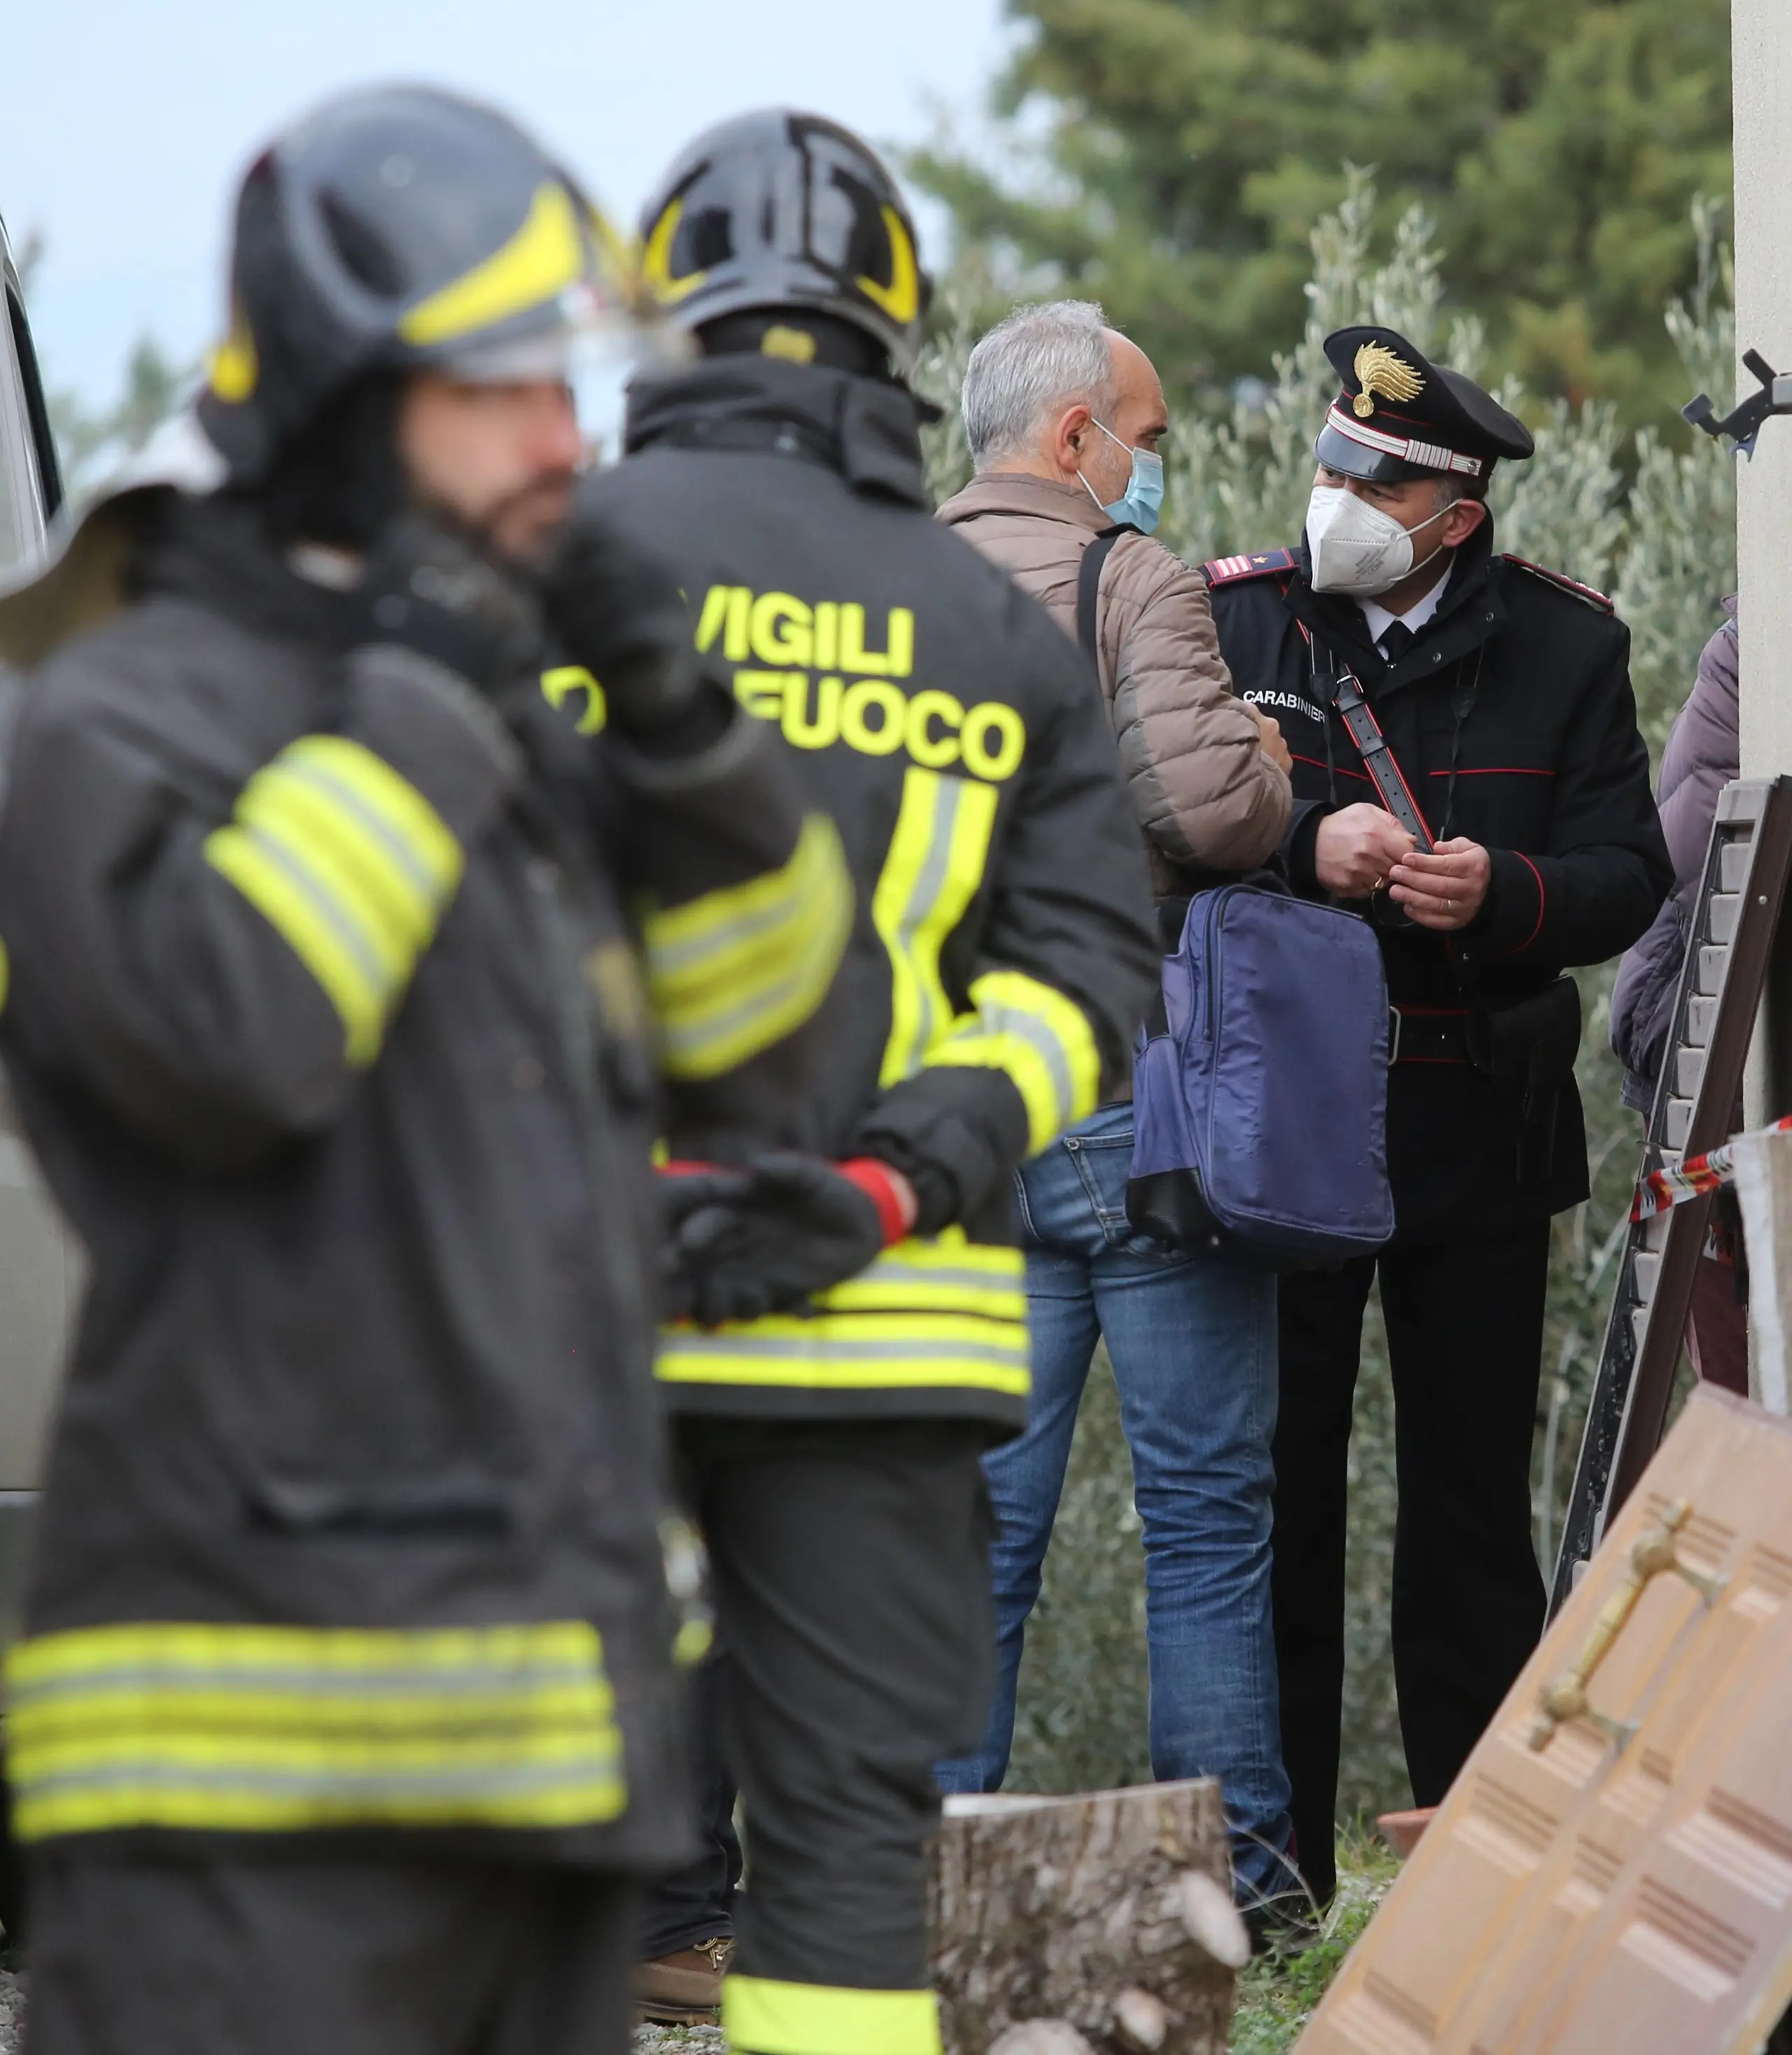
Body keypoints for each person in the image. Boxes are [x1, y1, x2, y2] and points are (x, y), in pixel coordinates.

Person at [0, 85, 850, 2055]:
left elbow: (772, 1043)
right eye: (507, 392)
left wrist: (686, 732)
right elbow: (235, 1046)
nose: (571, 441)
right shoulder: (112, 713)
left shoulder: (500, 718)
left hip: (551, 1778)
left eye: (569, 386)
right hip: (246, 1806)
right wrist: (415, 709)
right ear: (345, 395)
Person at [582, 111, 1161, 2055]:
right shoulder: (998, 635)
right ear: (896, 334)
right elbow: (1089, 981)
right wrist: (891, 1183)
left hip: (562, 1317)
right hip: (879, 1329)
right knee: (842, 1879)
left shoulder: (540, 578)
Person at [1205, 325, 1670, 1905]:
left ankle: (1469, 1871)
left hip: (1476, 1113)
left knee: (1468, 1509)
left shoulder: (1563, 644)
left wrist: (1506, 891)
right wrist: (1296, 851)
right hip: (1289, 1120)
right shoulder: (1236, 615)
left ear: (1453, 510)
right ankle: (1272, 1881)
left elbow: (1629, 876)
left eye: (1376, 475)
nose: (1336, 489)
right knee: (1279, 1496)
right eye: (1331, 458)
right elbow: (1158, 829)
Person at [929, 298, 1298, 1914]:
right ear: (1071, 438)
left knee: (967, 1534)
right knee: (1201, 1521)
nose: (1153, 469)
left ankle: (908, 1884)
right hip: (1121, 1090)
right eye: (1141, 439)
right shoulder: (1122, 574)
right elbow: (1208, 810)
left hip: (941, 1104)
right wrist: (1267, 754)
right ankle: (1229, 1893)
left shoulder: (875, 580)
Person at [1611, 598, 1747, 1394]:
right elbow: (1703, 867)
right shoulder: (1752, 651)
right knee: (1744, 1403)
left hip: (1697, 1047)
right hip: (1704, 1055)